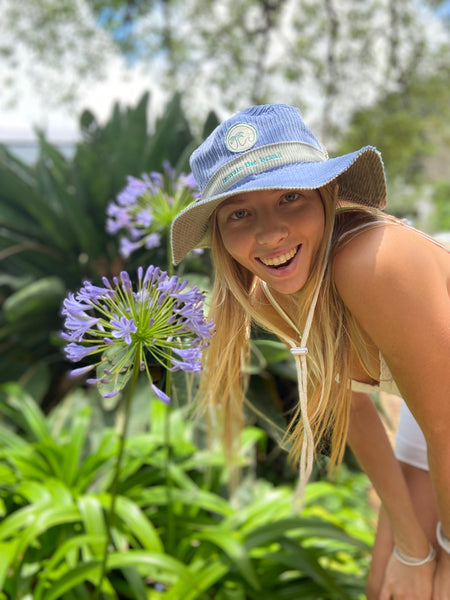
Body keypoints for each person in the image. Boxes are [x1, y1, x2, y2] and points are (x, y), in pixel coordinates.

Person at [170, 104, 450, 599]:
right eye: (240, 212)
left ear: (326, 194)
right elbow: (354, 409)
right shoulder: (271, 294)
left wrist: (446, 553)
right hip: (435, 413)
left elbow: (446, 425)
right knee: (387, 581)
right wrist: (414, 550)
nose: (269, 233)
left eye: (290, 197)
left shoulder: (372, 264)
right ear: (218, 231)